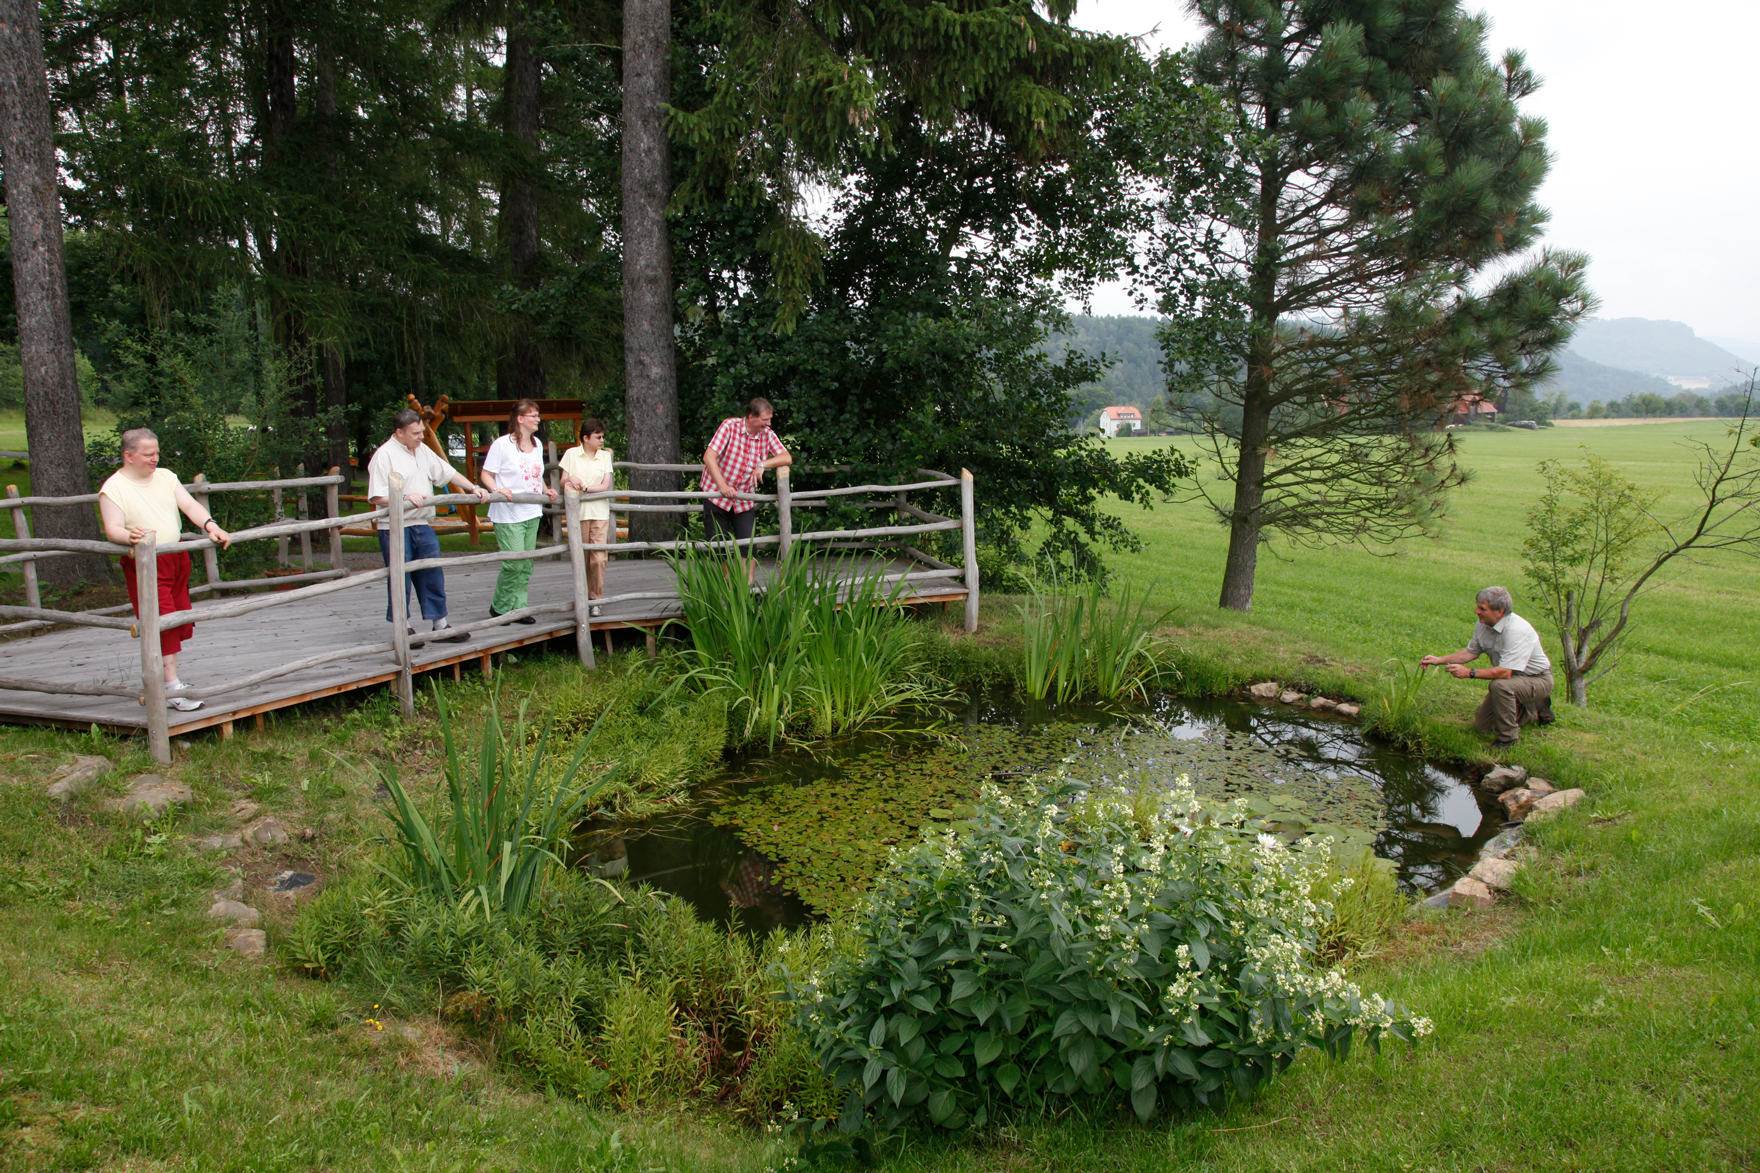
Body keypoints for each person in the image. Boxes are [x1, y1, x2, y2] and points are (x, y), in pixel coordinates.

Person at [98, 428, 233, 712]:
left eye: (157, 453)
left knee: (180, 617)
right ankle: (171, 686)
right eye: (148, 454)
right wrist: (129, 536)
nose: (155, 459)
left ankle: (166, 681)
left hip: (175, 557)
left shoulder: (166, 476)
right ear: (128, 455)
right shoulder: (113, 488)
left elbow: (189, 505)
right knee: (164, 619)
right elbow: (112, 528)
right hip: (146, 562)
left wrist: (211, 526)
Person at [366, 408, 490, 643]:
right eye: (415, 433)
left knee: (433, 572)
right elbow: (376, 497)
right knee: (400, 578)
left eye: (422, 431)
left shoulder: (422, 450)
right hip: (394, 526)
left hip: (422, 523)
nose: (421, 436)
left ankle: (440, 625)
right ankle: (403, 628)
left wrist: (473, 487)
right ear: (399, 433)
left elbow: (448, 472)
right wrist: (403, 498)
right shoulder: (384, 456)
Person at [1419, 585, 1556, 747]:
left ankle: (1508, 740)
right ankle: (1534, 710)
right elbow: (1471, 652)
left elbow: (1505, 672)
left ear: (1500, 612)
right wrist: (1439, 660)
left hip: (1537, 679)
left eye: (1482, 608)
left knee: (1500, 686)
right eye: (1477, 606)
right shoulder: (1483, 623)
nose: (1476, 611)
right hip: (1514, 679)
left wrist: (1469, 672)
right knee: (1482, 727)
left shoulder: (1517, 630)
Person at [480, 398, 559, 623]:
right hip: (508, 512)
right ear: (520, 418)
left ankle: (520, 607)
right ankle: (500, 607)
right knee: (513, 562)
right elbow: (486, 474)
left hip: (532, 511)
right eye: (533, 415)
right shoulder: (502, 444)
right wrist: (497, 489)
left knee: (526, 564)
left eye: (538, 415)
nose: (537, 419)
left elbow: (534, 474)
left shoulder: (537, 444)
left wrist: (546, 490)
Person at [701, 398, 792, 579]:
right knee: (719, 544)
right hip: (716, 495)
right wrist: (723, 487)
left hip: (744, 497)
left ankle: (746, 587)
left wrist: (762, 463)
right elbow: (708, 457)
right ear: (751, 417)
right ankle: (727, 585)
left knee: (748, 543)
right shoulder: (729, 426)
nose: (769, 423)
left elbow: (786, 457)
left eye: (770, 419)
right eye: (765, 420)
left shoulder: (767, 433)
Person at [559, 418, 614, 616]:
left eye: (602, 436)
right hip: (578, 514)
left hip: (599, 513)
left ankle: (596, 599)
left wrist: (585, 488)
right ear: (585, 438)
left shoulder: (605, 456)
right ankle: (582, 596)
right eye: (598, 437)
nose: (601, 440)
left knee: (598, 558)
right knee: (581, 557)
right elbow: (563, 481)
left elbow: (605, 485)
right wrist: (570, 479)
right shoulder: (571, 454)